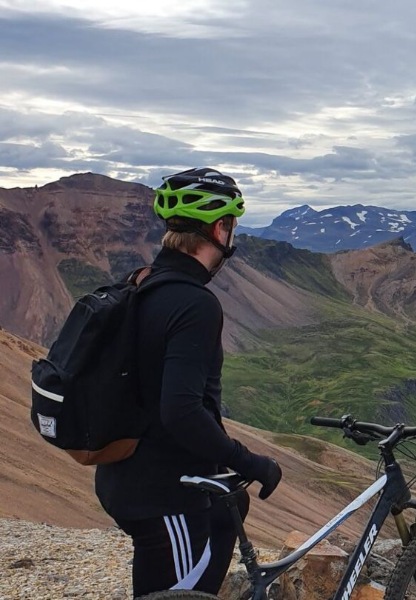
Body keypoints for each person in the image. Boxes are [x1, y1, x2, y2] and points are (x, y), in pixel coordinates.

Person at [95, 167, 282, 597]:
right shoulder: (194, 304)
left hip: (125, 475)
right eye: (231, 226)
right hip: (165, 496)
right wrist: (250, 462)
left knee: (229, 508)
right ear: (220, 228)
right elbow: (180, 411)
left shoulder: (143, 284)